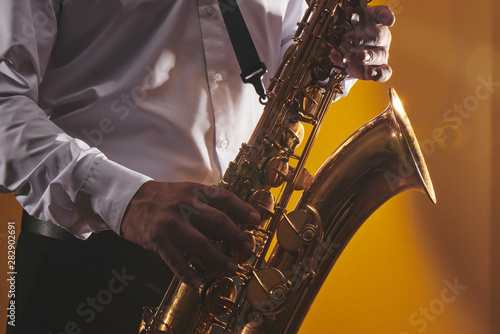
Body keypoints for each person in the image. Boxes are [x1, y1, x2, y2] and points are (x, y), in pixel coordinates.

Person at [0, 0, 394, 333]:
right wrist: (126, 199)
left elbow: (287, 58)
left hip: (223, 271)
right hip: (80, 265)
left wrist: (339, 54)